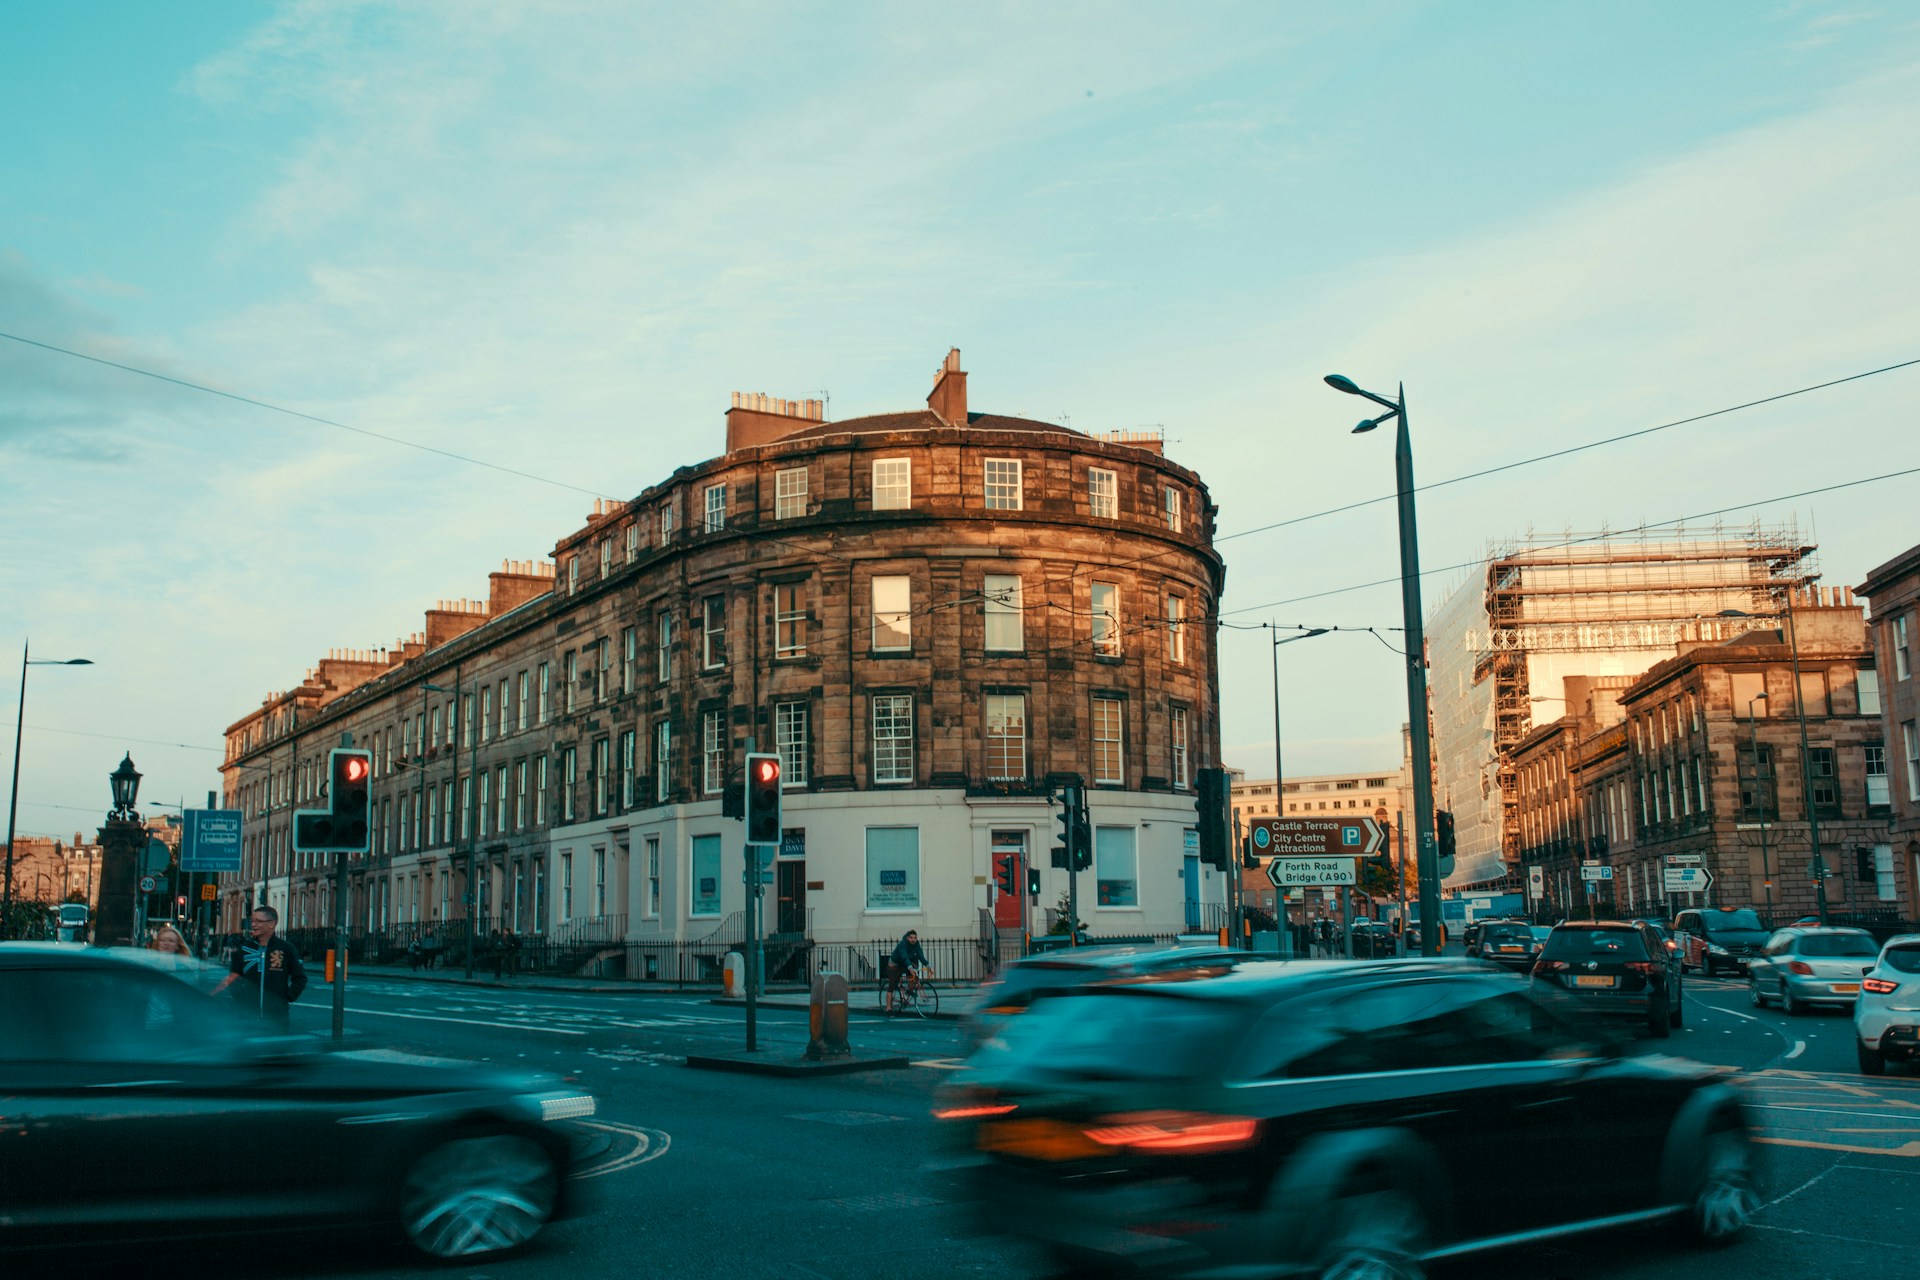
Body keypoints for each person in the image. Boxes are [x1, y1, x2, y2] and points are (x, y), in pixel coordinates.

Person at [212, 905, 307, 1028]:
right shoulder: (244, 950)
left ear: (271, 924)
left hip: (277, 1019)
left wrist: (287, 997)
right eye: (252, 921)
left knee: (275, 1046)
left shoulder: (286, 949)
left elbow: (300, 978)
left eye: (259, 921)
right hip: (247, 1019)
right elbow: (233, 978)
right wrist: (242, 1000)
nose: (253, 925)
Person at [884, 929, 928, 1014]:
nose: (913, 940)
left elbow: (920, 955)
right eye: (911, 938)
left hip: (903, 964)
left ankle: (910, 990)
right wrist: (910, 968)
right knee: (892, 985)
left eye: (915, 938)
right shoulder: (902, 945)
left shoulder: (916, 944)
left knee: (913, 975)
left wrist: (927, 965)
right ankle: (888, 1008)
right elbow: (904, 957)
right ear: (908, 938)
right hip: (894, 965)